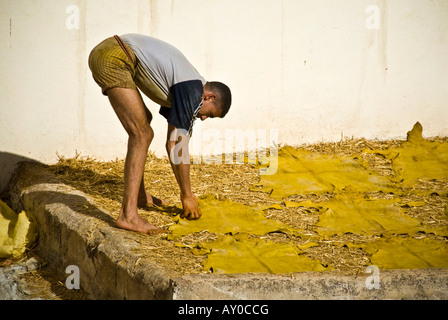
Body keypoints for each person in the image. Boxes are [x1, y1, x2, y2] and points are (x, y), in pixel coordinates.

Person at [88, 34, 232, 234]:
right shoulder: (191, 91)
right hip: (115, 57)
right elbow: (177, 147)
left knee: (143, 124)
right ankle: (128, 216)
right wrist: (187, 195)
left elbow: (171, 143)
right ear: (209, 96)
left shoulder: (187, 86)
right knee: (141, 134)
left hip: (115, 53)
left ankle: (139, 196)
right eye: (209, 114)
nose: (204, 118)